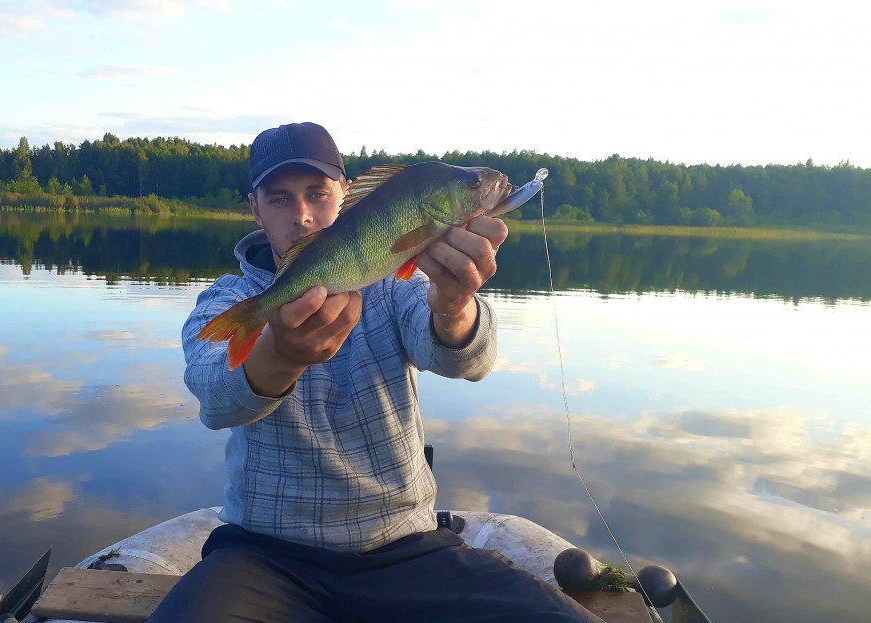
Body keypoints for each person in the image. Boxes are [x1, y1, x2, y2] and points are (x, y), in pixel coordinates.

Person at [151, 122, 602, 623]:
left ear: (346, 194)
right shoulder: (228, 301)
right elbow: (215, 402)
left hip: (406, 548)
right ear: (255, 208)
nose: (302, 215)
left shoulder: (394, 283)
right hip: (264, 555)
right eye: (279, 199)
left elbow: (467, 362)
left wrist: (454, 304)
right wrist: (279, 356)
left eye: (317, 193)